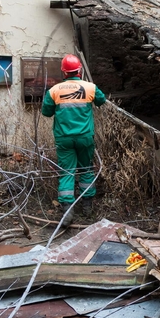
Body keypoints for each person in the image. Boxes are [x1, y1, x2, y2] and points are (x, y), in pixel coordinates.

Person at [42, 54, 106, 227]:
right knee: (86, 168)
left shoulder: (54, 90)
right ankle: (87, 206)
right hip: (85, 137)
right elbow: (102, 100)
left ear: (64, 72)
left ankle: (68, 209)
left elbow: (46, 112)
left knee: (67, 171)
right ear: (80, 70)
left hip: (64, 138)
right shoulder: (90, 87)